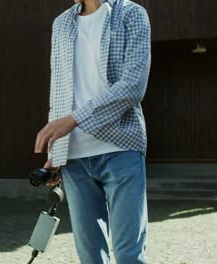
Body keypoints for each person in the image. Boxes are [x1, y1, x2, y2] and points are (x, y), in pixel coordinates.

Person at [34, 0, 151, 263]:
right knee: (90, 257)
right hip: (74, 157)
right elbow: (60, 91)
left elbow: (133, 85)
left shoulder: (131, 14)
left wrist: (74, 120)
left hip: (121, 147)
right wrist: (57, 151)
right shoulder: (61, 23)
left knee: (128, 254)